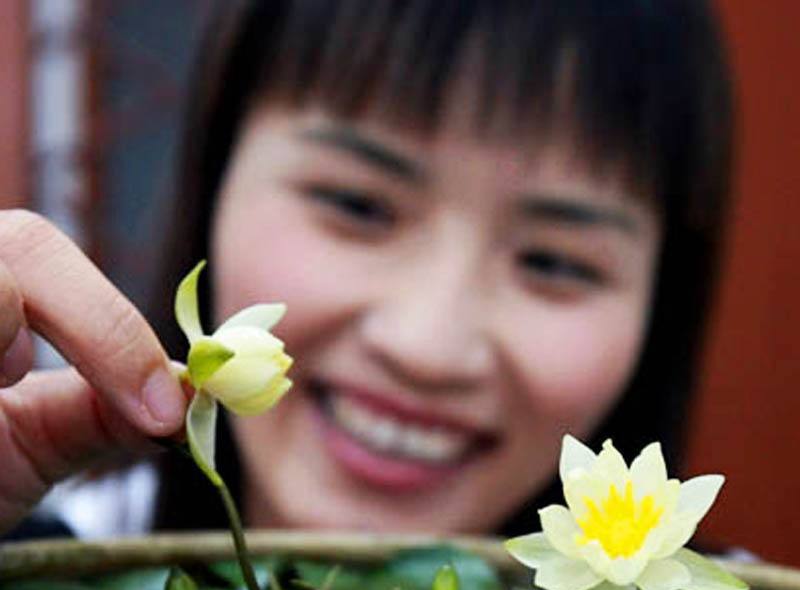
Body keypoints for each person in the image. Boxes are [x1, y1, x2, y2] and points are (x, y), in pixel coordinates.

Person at [0, 0, 733, 541]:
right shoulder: (29, 564)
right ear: (218, 174)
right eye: (357, 205)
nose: (426, 348)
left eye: (553, 261)